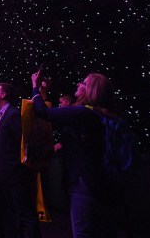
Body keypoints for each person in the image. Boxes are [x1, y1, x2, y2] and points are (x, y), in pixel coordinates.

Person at [31, 72, 116, 238]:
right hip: (98, 180)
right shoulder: (96, 114)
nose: (78, 84)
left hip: (84, 181)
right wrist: (43, 93)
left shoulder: (83, 113)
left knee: (83, 232)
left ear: (92, 91)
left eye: (83, 83)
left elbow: (43, 112)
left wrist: (34, 85)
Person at [0, 83, 40, 238]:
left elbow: (22, 143)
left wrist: (15, 168)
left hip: (14, 174)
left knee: (25, 213)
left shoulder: (12, 114)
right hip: (5, 173)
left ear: (3, 95)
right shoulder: (1, 114)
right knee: (13, 212)